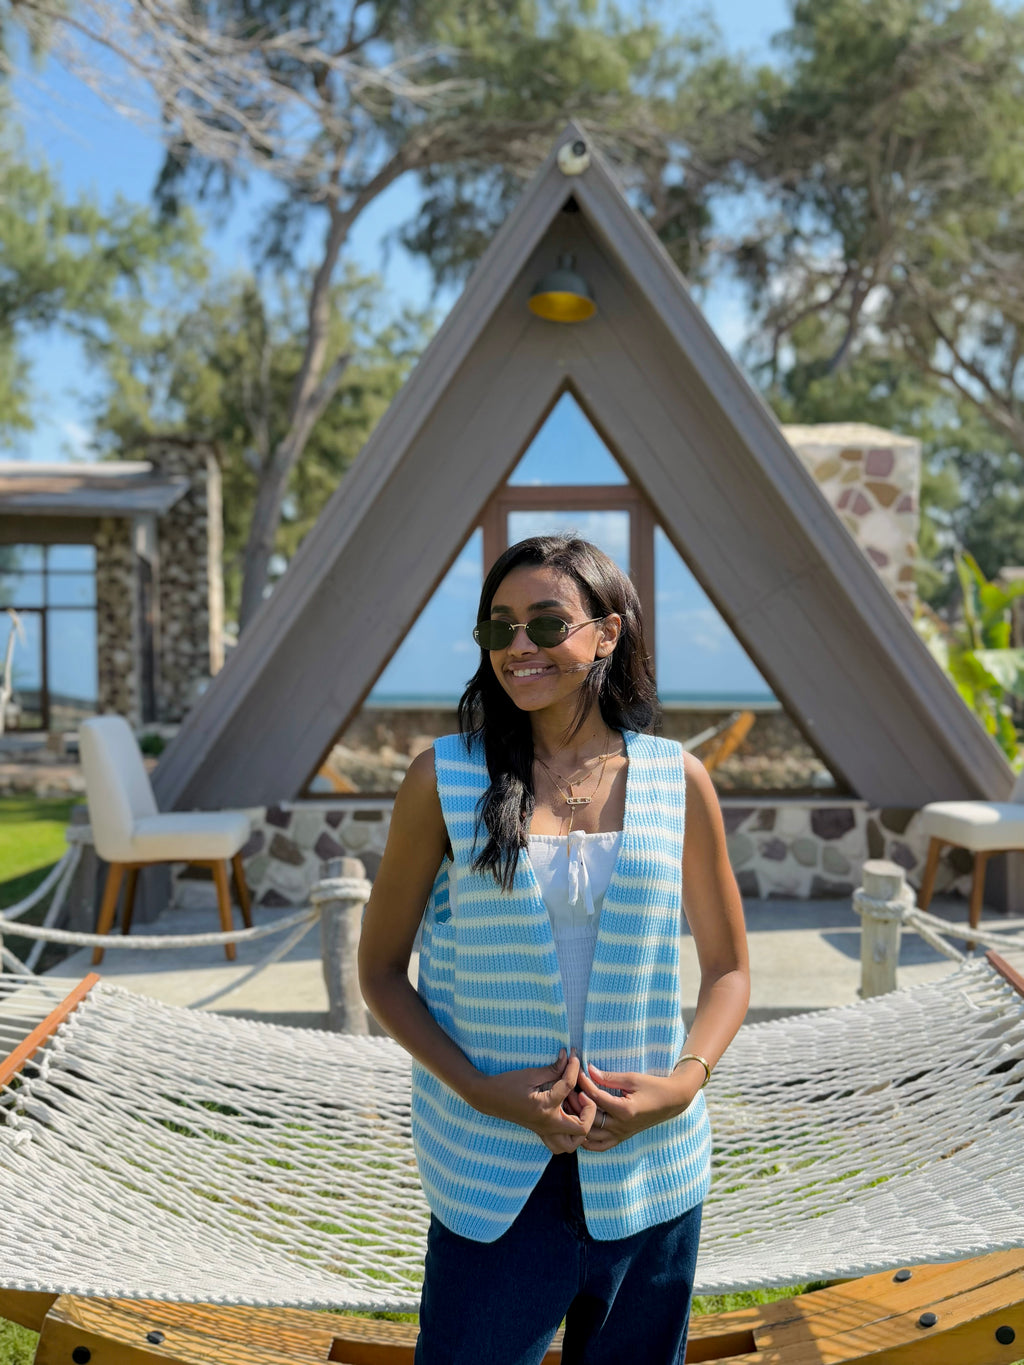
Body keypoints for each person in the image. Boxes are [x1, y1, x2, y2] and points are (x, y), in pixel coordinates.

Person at [358, 534, 750, 1365]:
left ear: (607, 633)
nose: (520, 648)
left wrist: (679, 1088)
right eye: (498, 630)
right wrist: (480, 1090)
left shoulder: (678, 780)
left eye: (546, 622)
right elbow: (382, 970)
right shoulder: (444, 779)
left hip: (651, 1172)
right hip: (488, 1170)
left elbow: (728, 969)